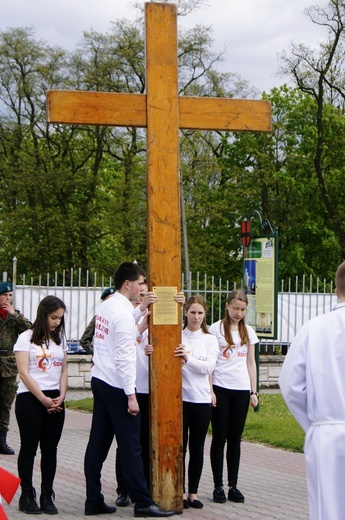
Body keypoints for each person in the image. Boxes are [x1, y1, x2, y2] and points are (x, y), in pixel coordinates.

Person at [84, 261, 175, 517]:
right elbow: (124, 357)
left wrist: (141, 312)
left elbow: (117, 333)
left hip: (100, 380)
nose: (142, 288)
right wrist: (131, 396)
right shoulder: (123, 313)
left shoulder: (109, 305)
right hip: (117, 386)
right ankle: (143, 502)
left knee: (98, 444)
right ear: (128, 284)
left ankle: (93, 500)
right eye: (140, 284)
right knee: (131, 446)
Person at [279, 260, 345, 520]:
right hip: (326, 428)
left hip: (326, 435)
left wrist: (316, 425)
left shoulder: (313, 328)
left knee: (327, 510)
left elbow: (290, 385)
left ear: (336, 288)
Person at [115, 283, 185, 508]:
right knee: (128, 443)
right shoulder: (129, 319)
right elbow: (125, 348)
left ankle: (145, 487)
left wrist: (178, 306)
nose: (143, 298)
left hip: (153, 389)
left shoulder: (160, 318)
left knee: (146, 441)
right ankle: (123, 489)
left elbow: (175, 338)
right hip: (133, 389)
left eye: (147, 295)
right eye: (141, 294)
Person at [13, 295, 68, 515]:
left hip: (55, 399)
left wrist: (61, 395)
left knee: (50, 449)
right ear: (42, 314)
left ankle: (47, 494)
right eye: (54, 317)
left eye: (60, 319)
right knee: (29, 448)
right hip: (31, 398)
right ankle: (27, 494)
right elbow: (24, 373)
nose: (57, 322)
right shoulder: (25, 338)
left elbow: (63, 370)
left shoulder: (59, 339)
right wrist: (43, 399)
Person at [208, 289, 259, 504]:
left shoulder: (248, 331)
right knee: (219, 438)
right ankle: (218, 485)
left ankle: (233, 485)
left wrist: (253, 391)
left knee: (235, 440)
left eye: (243, 309)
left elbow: (250, 363)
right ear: (227, 306)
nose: (239, 313)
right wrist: (209, 390)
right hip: (220, 388)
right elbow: (211, 362)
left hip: (240, 390)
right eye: (236, 308)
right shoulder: (215, 329)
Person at [174, 295, 218, 509]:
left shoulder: (209, 339)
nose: (196, 317)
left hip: (201, 399)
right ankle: (179, 490)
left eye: (200, 313)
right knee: (180, 448)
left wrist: (188, 359)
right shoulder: (178, 336)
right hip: (181, 399)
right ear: (185, 313)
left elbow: (208, 367)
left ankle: (193, 492)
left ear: (205, 314)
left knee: (197, 448)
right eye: (192, 312)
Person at [0, 281, 31, 455]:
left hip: (9, 367)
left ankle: (1, 441)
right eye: (5, 295)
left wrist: (14, 315)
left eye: (10, 295)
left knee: (5, 405)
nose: (8, 298)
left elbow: (32, 330)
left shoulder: (15, 316)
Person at [79, 287, 115, 354]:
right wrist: (97, 353)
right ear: (103, 301)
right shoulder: (98, 318)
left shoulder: (122, 317)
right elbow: (84, 340)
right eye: (109, 300)